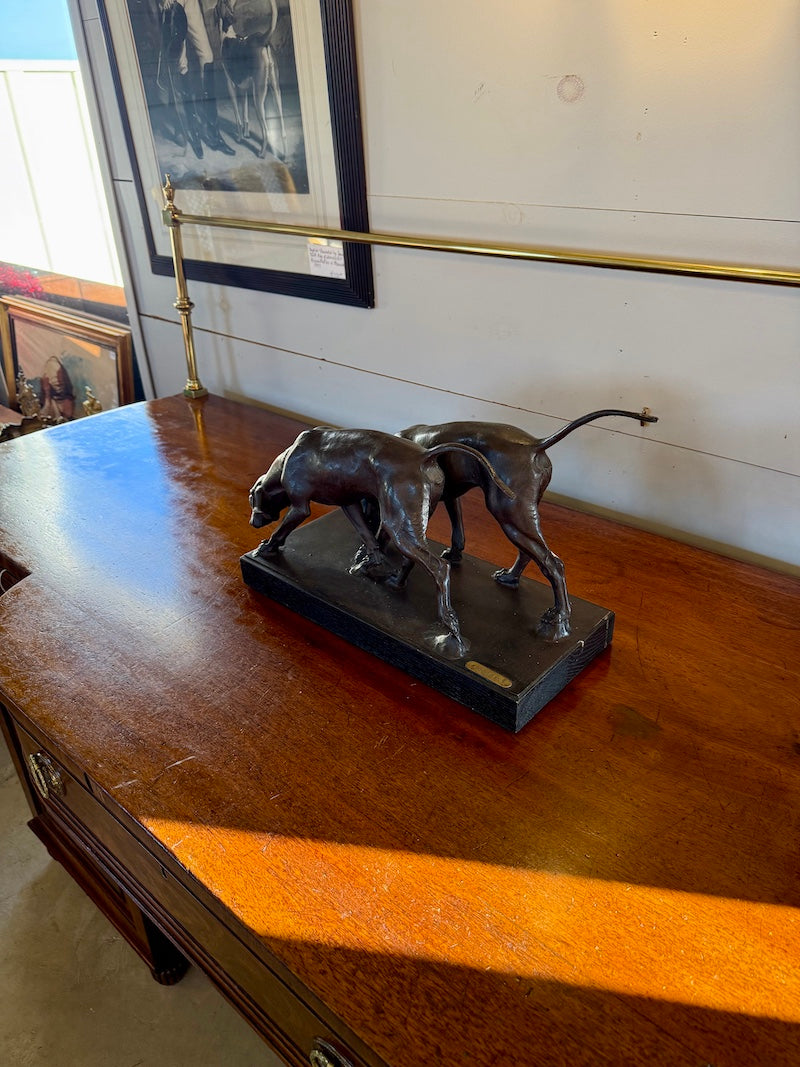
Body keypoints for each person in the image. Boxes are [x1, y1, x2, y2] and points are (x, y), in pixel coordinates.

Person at [158, 0, 235, 158]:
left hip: (190, 3)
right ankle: (194, 133)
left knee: (207, 57)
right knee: (182, 64)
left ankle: (213, 133)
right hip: (171, 4)